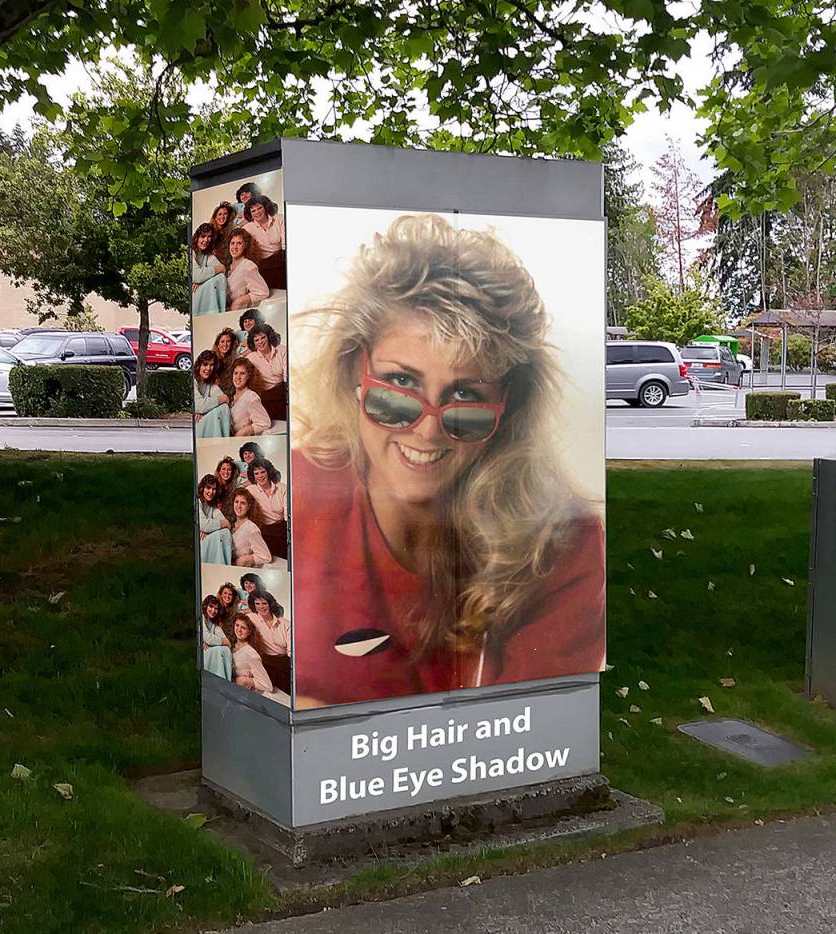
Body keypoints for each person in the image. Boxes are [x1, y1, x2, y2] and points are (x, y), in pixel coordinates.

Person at [290, 213, 605, 708]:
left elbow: (530, 737)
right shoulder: (284, 494)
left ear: (509, 405)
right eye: (399, 387)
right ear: (355, 371)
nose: (428, 428)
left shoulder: (560, 544)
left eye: (465, 398)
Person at [245, 589, 291, 692]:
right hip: (266, 660)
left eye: (264, 603)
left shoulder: (285, 623)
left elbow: (291, 651)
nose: (261, 607)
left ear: (270, 604)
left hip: (285, 660)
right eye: (257, 604)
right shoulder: (251, 618)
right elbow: (237, 624)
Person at [240, 194, 286, 290]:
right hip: (264, 264)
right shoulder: (248, 228)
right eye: (253, 211)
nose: (257, 212)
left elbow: (285, 244)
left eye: (259, 208)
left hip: (281, 258)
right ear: (250, 214)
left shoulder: (279, 218)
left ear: (265, 207)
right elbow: (235, 237)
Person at [247, 457, 287, 559]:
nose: (260, 476)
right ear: (253, 476)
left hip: (282, 526)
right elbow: (237, 499)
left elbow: (287, 515)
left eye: (263, 472)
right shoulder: (250, 490)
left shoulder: (282, 488)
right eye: (256, 473)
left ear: (268, 472)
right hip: (265, 530)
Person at [245, 323, 287, 420]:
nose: (260, 342)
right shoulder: (251, 358)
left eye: (263, 337)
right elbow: (240, 369)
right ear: (253, 343)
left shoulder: (281, 350)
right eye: (256, 340)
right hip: (266, 396)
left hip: (283, 390)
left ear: (268, 337)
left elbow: (287, 377)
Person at [224, 228, 269, 311]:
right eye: (232, 243)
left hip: (236, 311)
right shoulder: (227, 266)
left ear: (245, 245)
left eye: (239, 243)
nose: (235, 247)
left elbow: (263, 292)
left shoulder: (248, 266)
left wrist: (240, 301)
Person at [191, 223, 228, 316]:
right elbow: (197, 275)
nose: (206, 240)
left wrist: (201, 281)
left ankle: (215, 314)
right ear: (197, 238)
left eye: (209, 237)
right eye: (203, 236)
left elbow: (222, 269)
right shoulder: (191, 252)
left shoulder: (207, 256)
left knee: (220, 278)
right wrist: (198, 278)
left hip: (201, 289)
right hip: (191, 293)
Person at [232, 616, 274, 696]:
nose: (239, 630)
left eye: (243, 628)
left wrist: (245, 680)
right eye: (237, 625)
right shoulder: (231, 646)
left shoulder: (251, 654)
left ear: (249, 631)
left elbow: (268, 686)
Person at [193, 350, 231, 438]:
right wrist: (201, 409)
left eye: (212, 365)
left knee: (223, 408)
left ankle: (219, 443)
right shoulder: (193, 380)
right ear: (199, 365)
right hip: (193, 422)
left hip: (201, 419)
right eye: (205, 364)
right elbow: (198, 406)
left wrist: (203, 410)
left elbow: (226, 400)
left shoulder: (209, 384)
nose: (209, 368)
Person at [197, 475, 233, 565]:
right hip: (194, 539)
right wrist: (205, 528)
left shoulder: (211, 505)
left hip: (205, 536)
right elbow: (204, 525)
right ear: (202, 488)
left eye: (214, 489)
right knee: (219, 533)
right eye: (208, 488)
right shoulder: (197, 502)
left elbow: (226, 523)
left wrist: (208, 530)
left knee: (225, 532)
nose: (211, 492)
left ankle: (224, 565)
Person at [230, 358, 271, 435]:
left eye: (242, 373)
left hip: (242, 441)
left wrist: (243, 431)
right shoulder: (231, 396)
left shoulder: (251, 397)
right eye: (235, 373)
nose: (238, 377)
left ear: (248, 376)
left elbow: (265, 422)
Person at [231, 488, 271, 568]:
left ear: (248, 506)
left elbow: (266, 557)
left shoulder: (252, 528)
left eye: (243, 503)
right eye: (236, 502)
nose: (238, 506)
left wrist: (247, 559)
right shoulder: (231, 525)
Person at [201, 595, 233, 680]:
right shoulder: (201, 617)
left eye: (216, 609)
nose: (213, 610)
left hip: (208, 648)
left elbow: (225, 639)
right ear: (205, 606)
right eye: (211, 607)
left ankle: (225, 680)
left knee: (225, 650)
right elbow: (207, 637)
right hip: (199, 648)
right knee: (218, 650)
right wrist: (206, 642)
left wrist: (213, 643)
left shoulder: (213, 622)